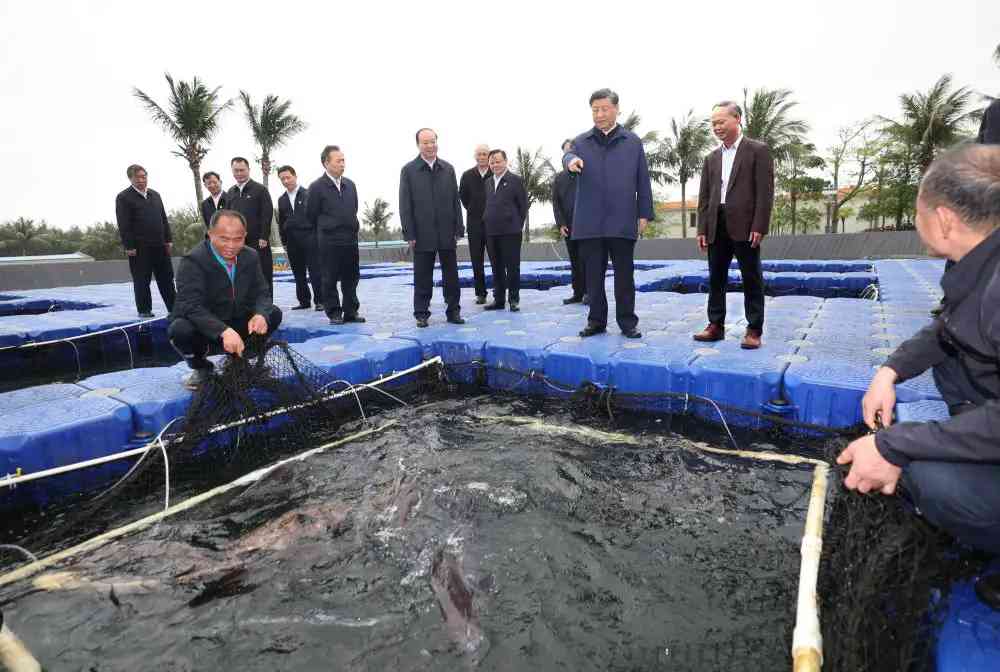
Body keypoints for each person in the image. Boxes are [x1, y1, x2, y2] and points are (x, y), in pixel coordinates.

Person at [835, 144, 1000, 607]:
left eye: (918, 211)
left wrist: (894, 445)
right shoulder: (980, 262)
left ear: (944, 219)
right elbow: (947, 332)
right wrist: (889, 371)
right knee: (951, 361)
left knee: (930, 479)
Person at [563, 88, 653, 339]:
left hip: (622, 218)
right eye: (595, 110)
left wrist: (644, 213)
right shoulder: (581, 142)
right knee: (593, 277)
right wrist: (570, 161)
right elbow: (568, 155)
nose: (599, 114)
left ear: (616, 109)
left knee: (624, 276)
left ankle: (627, 322)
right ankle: (596, 321)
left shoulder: (632, 142)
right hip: (589, 221)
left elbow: (642, 179)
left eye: (604, 109)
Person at [168, 209, 282, 389]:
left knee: (272, 313)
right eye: (223, 238)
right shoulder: (193, 261)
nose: (231, 245)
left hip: (237, 319)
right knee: (180, 329)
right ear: (210, 234)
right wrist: (223, 331)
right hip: (206, 327)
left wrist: (260, 314)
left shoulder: (250, 256)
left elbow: (262, 292)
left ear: (245, 235)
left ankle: (240, 360)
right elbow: (190, 306)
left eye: (238, 239)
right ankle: (201, 368)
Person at [693, 101, 774, 350]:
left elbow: (765, 192)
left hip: (746, 224)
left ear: (737, 119)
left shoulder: (757, 151)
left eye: (721, 121)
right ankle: (715, 325)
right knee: (716, 277)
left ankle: (754, 328)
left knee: (751, 277)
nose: (717, 127)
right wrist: (702, 229)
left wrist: (759, 225)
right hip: (716, 223)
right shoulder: (711, 158)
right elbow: (705, 196)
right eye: (713, 123)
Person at [399, 128, 465, 327]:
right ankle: (421, 313)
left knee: (451, 275)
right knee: (422, 276)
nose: (430, 146)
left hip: (447, 231)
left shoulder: (448, 169)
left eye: (433, 141)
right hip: (421, 233)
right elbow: (405, 204)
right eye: (425, 142)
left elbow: (456, 200)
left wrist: (458, 228)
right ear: (418, 145)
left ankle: (453, 311)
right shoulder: (409, 170)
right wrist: (409, 232)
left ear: (438, 142)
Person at [306, 146, 364, 325]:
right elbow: (311, 214)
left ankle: (351, 312)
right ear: (326, 163)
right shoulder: (316, 187)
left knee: (351, 277)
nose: (342, 164)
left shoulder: (350, 185)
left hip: (350, 239)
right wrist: (329, 226)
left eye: (343, 160)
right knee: (329, 278)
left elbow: (353, 208)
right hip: (329, 241)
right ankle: (334, 313)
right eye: (338, 160)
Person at [115, 164, 176, 318]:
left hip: (160, 245)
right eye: (138, 177)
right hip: (139, 248)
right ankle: (144, 310)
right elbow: (124, 223)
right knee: (142, 280)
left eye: (144, 176)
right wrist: (129, 246)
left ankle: (174, 309)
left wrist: (168, 239)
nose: (142, 180)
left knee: (167, 279)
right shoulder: (124, 197)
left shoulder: (155, 195)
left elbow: (163, 218)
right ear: (131, 178)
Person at [482, 149, 528, 312]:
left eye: (498, 161)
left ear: (505, 161)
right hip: (492, 231)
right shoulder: (487, 182)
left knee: (512, 266)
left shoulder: (515, 180)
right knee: (496, 267)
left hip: (511, 231)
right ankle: (499, 300)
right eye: (492, 162)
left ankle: (514, 300)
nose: (495, 165)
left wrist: (516, 224)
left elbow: (523, 205)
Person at [277, 165, 323, 312]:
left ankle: (320, 301)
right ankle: (304, 301)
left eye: (288, 177)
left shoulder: (308, 194)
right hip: (292, 241)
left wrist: (318, 237)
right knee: (298, 272)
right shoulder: (282, 199)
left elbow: (317, 217)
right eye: (282, 179)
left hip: (309, 238)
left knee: (315, 271)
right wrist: (284, 241)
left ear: (295, 176)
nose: (285, 181)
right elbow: (282, 221)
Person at [226, 157, 275, 294]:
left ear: (248, 170)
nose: (239, 173)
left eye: (242, 170)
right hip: (238, 244)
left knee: (263, 276)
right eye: (236, 171)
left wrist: (264, 236)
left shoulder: (260, 190)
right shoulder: (230, 192)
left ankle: (267, 309)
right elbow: (228, 218)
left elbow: (267, 214)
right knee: (243, 278)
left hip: (258, 242)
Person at [552, 138, 586, 305]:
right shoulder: (559, 178)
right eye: (566, 151)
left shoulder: (587, 173)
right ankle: (577, 293)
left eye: (571, 150)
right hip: (569, 227)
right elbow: (556, 203)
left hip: (587, 226)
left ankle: (590, 293)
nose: (569, 153)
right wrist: (561, 224)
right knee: (574, 261)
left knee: (587, 260)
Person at [458, 144, 492, 304]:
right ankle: (481, 293)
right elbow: (463, 197)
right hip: (474, 224)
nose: (482, 157)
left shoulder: (496, 172)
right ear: (475, 156)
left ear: (489, 156)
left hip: (494, 224)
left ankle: (499, 292)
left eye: (485, 154)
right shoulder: (467, 175)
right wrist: (473, 209)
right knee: (476, 260)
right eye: (479, 154)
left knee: (497, 259)